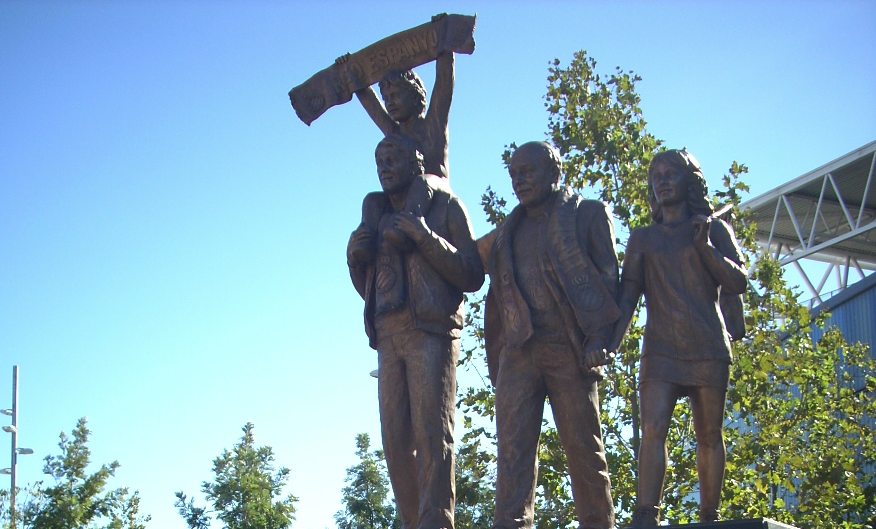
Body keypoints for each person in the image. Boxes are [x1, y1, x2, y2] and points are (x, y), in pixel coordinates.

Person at [347, 134, 484, 529]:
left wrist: (423, 236)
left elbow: (472, 274)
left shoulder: (445, 207)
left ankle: (437, 522)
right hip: (388, 336)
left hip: (430, 330)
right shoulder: (374, 215)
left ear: (415, 162)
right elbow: (374, 288)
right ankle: (413, 522)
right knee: (394, 443)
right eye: (379, 160)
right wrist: (356, 260)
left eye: (393, 158)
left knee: (431, 434)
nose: (384, 167)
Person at [484, 141, 619, 529]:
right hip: (519, 351)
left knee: (584, 451)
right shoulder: (507, 231)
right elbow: (481, 281)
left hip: (569, 349)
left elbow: (610, 281)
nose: (518, 181)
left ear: (554, 172)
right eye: (513, 175)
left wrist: (599, 339)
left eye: (527, 172)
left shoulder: (587, 214)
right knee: (511, 457)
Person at [609, 149, 747, 526]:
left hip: (707, 344)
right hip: (661, 348)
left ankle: (709, 515)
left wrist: (705, 247)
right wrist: (609, 345)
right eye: (657, 175)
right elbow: (628, 297)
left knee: (709, 432)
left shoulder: (713, 229)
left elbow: (738, 281)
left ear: (690, 182)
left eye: (672, 173)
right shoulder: (642, 239)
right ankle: (645, 514)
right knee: (652, 429)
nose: (663, 180)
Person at [339, 13, 454, 255]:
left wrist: (445, 48)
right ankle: (366, 241)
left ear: (415, 96)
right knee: (373, 199)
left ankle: (408, 229)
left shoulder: (432, 123)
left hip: (435, 189)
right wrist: (354, 79)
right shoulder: (395, 133)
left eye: (396, 95)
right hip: (402, 200)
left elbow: (444, 85)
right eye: (386, 98)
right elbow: (374, 109)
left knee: (422, 182)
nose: (389, 103)